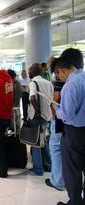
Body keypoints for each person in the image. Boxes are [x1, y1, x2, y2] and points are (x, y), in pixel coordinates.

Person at [53, 48, 85, 205]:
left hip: (74, 133)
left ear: (63, 69)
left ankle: (75, 202)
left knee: (72, 169)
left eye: (58, 74)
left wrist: (56, 108)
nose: (59, 77)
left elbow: (68, 115)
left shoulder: (71, 85)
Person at [27, 63, 54, 176]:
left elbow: (32, 97)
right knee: (44, 141)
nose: (28, 72)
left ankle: (38, 169)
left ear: (33, 72)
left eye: (29, 70)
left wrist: (37, 111)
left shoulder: (33, 82)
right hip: (47, 116)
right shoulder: (48, 83)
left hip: (37, 117)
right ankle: (48, 165)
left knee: (35, 143)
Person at [45, 58, 65, 192]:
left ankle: (57, 181)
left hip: (58, 118)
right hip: (67, 120)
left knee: (56, 148)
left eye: (48, 63)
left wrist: (53, 113)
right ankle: (65, 179)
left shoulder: (58, 77)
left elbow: (56, 98)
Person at [7, 69, 22, 135]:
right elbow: (21, 94)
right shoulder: (18, 83)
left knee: (12, 126)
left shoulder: (9, 84)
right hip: (17, 106)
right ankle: (18, 138)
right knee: (17, 123)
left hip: (11, 108)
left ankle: (14, 139)